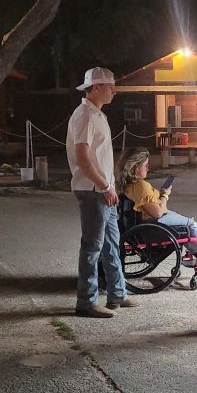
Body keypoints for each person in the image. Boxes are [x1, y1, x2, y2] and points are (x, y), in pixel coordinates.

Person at [67, 67, 138, 318]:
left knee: (110, 244)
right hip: (93, 190)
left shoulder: (97, 115)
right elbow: (83, 157)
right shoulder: (85, 115)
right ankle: (86, 302)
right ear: (96, 87)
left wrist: (109, 186)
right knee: (92, 247)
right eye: (110, 87)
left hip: (103, 190)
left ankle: (117, 293)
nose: (114, 92)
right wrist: (105, 186)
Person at [116, 147, 197, 272]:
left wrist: (162, 195)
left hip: (146, 223)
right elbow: (157, 213)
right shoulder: (141, 186)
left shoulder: (129, 185)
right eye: (146, 165)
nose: (148, 168)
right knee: (192, 225)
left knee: (186, 226)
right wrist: (165, 195)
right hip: (154, 224)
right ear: (136, 167)